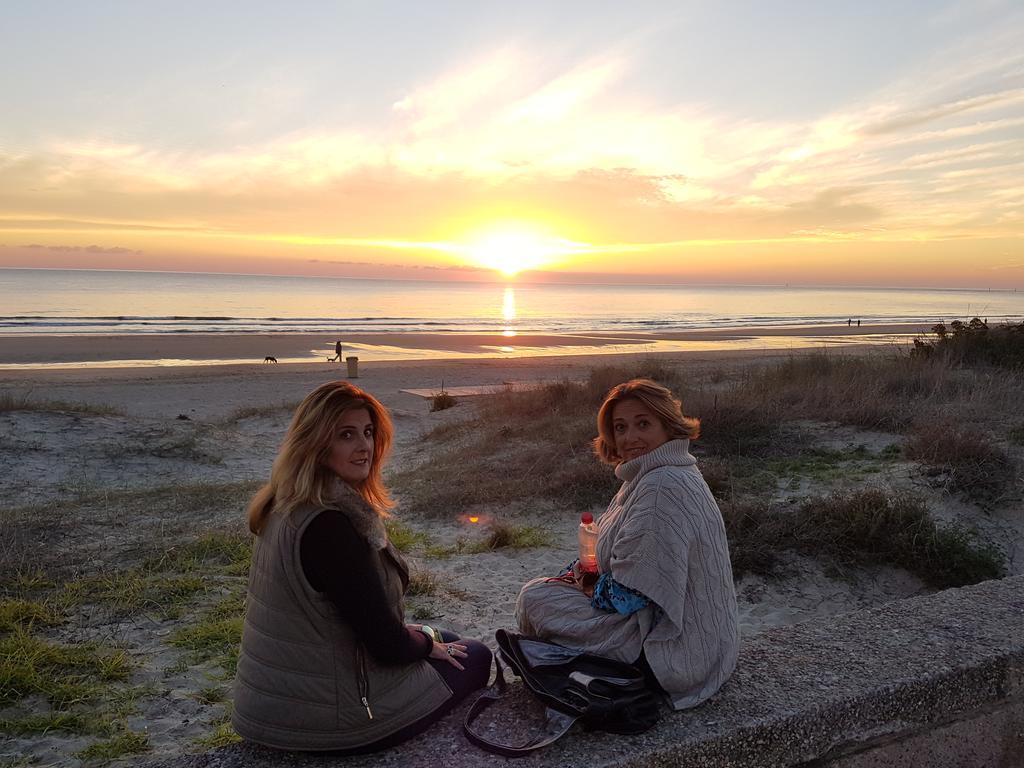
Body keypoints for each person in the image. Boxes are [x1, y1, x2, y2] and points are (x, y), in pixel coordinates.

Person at [233, 381, 491, 752]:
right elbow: (387, 646)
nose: (364, 446)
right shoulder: (328, 526)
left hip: (273, 701)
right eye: (346, 435)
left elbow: (343, 613)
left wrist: (421, 639)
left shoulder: (285, 502)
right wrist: (417, 643)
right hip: (329, 718)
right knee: (477, 656)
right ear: (317, 443)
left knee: (444, 639)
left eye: (368, 433)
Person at [515, 378, 738, 710]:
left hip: (673, 652)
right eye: (621, 428)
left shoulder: (662, 485)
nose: (630, 437)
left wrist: (584, 584)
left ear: (668, 426)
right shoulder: (662, 472)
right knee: (545, 590)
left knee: (534, 600)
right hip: (706, 640)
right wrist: (577, 576)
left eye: (643, 424)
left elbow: (627, 596)